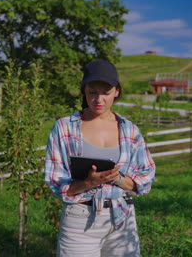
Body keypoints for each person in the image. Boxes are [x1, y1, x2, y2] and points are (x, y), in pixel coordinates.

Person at [44, 59, 156, 257]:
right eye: (92, 92)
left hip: (122, 218)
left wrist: (117, 178)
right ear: (84, 91)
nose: (99, 99)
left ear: (117, 91)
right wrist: (88, 182)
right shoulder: (63, 128)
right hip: (80, 220)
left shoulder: (130, 130)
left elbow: (145, 179)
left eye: (105, 92)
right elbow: (55, 181)